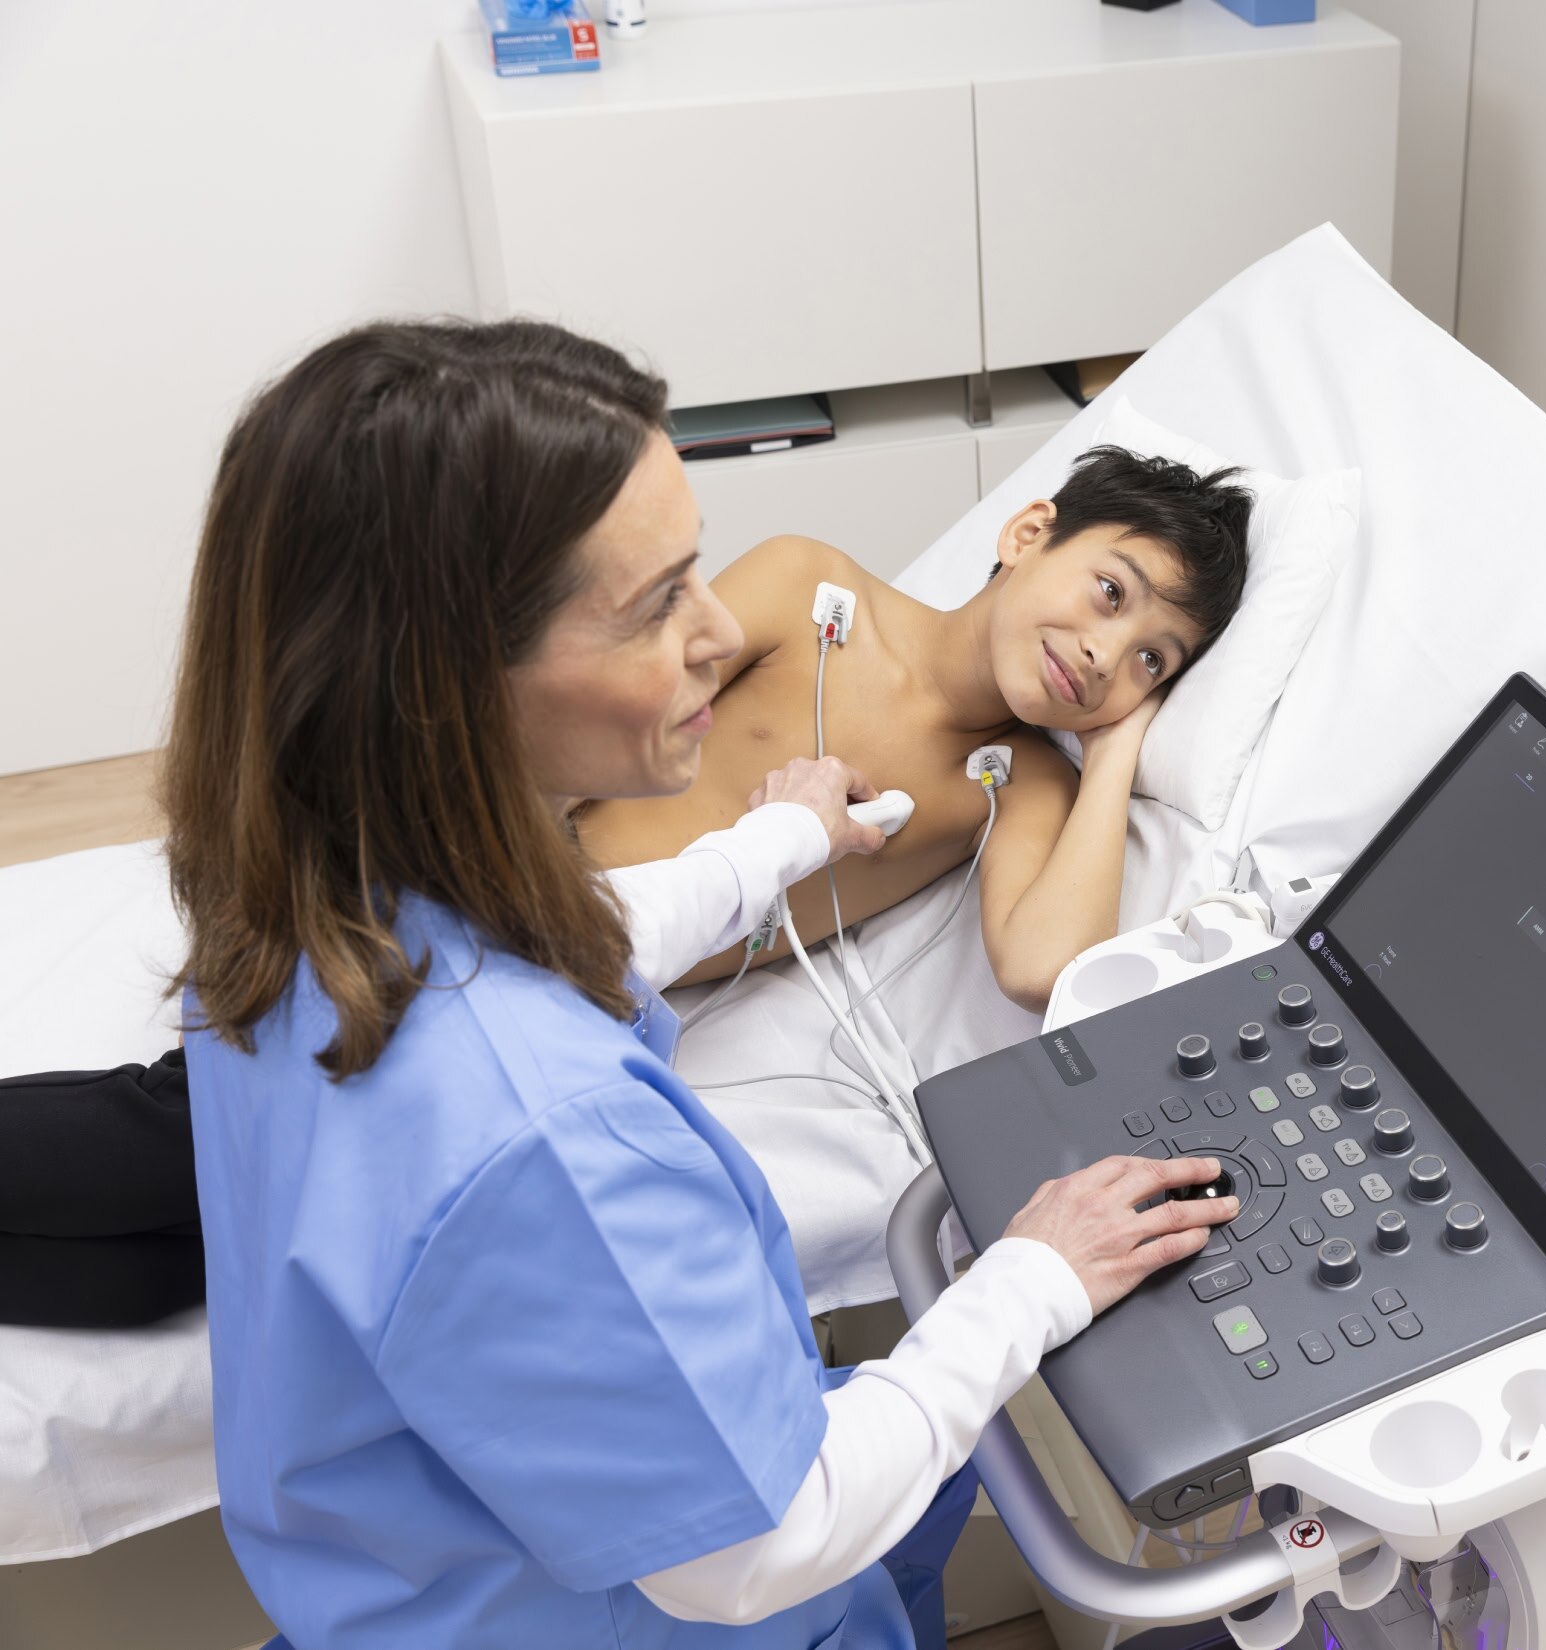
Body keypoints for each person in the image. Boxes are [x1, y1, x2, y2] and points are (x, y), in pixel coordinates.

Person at [160, 317, 1236, 1648]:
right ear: (455, 668)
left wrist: (775, 844)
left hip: (398, 1575)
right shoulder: (558, 1143)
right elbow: (763, 1543)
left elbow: (564, 936)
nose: (720, 626)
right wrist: (1033, 1275)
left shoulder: (308, 888)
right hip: (606, 1612)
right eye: (659, 598)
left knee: (936, 1485)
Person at [580, 444, 1254, 1007]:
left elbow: (1042, 973)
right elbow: (576, 737)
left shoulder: (1022, 784)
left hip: (600, 1003)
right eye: (1110, 592)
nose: (1105, 657)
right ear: (1027, 536)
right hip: (533, 899)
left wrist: (1114, 754)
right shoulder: (803, 588)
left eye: (1150, 660)